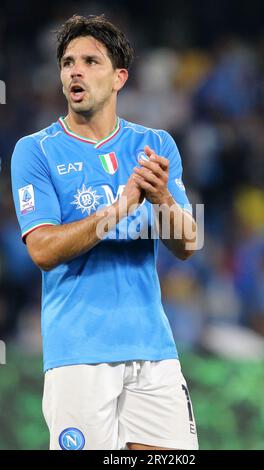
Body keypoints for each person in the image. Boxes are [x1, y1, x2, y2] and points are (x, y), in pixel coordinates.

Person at [11, 14, 199, 451]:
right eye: (68, 62)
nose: (75, 70)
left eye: (91, 61)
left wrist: (162, 200)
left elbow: (189, 244)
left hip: (153, 349)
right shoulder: (34, 151)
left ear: (119, 78)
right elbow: (41, 249)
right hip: (79, 355)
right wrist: (120, 209)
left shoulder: (155, 145)